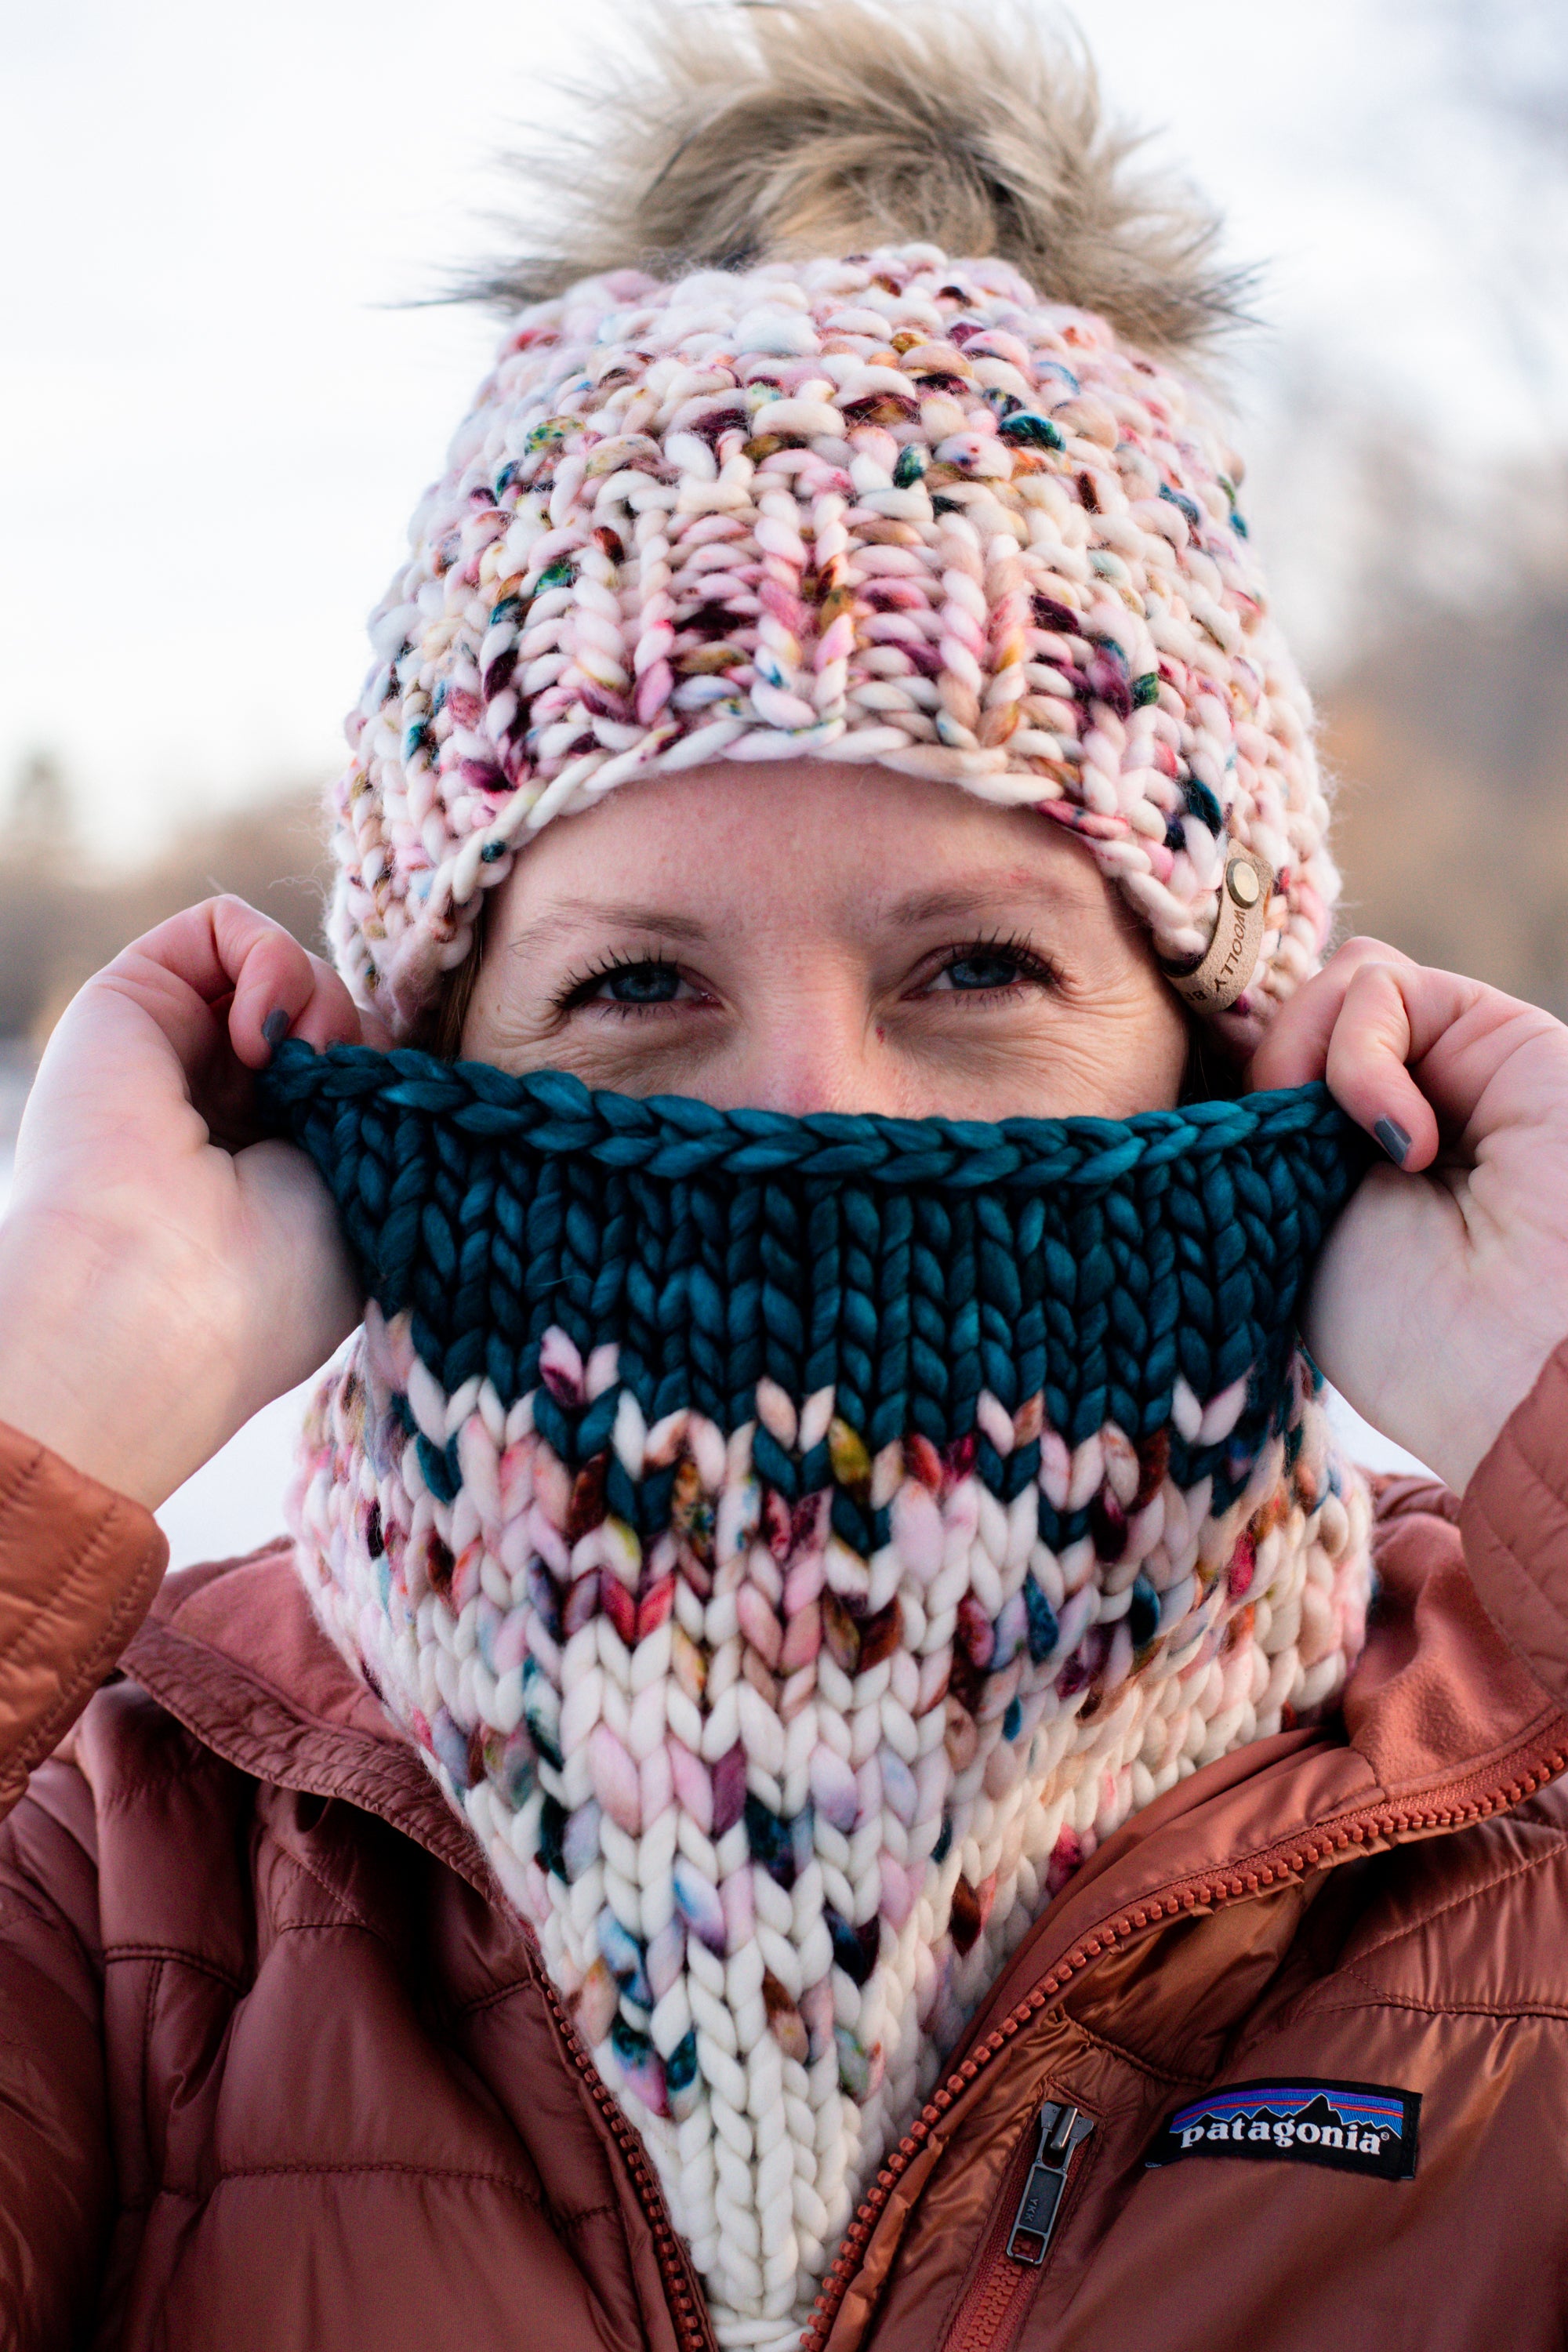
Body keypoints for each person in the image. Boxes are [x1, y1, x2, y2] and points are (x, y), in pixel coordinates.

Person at [2, 8, 1567, 2347]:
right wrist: (47, 1394)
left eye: (972, 965)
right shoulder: (129, 1860)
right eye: (637, 986)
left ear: (1234, 1048)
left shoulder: (1509, 1842)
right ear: (426, 1056)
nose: (807, 1107)